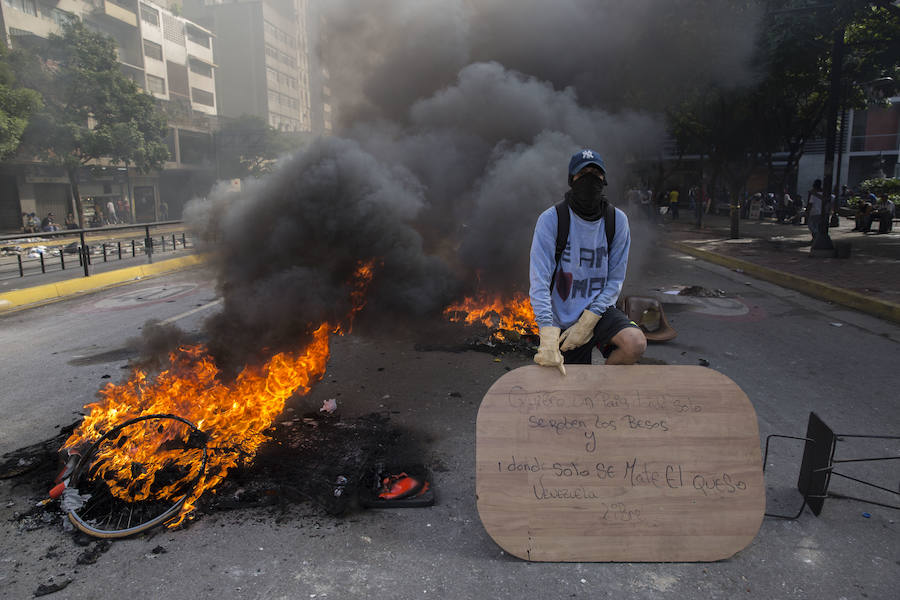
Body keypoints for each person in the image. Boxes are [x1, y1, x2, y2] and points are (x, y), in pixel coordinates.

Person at [529, 149, 647, 375]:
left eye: (596, 173)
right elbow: (539, 280)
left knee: (635, 343)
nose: (590, 178)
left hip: (599, 311)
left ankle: (601, 390)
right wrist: (547, 332)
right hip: (562, 317)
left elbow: (615, 280)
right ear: (571, 180)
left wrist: (589, 320)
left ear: (604, 180)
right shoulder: (552, 219)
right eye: (582, 173)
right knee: (566, 388)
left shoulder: (616, 221)